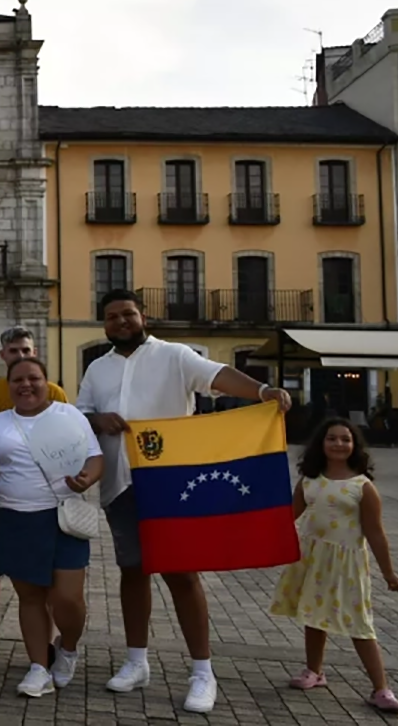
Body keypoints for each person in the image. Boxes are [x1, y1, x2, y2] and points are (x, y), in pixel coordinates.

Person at [77, 289, 292, 712]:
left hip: (170, 484)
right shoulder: (96, 370)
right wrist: (97, 419)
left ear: (143, 317)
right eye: (112, 316)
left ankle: (202, 671)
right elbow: (81, 417)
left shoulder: (174, 356)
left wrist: (262, 391)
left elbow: (220, 375)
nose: (120, 321)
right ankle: (136, 661)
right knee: (132, 572)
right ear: (103, 324)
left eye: (128, 314)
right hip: (119, 484)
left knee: (182, 575)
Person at [0, 356, 103, 698]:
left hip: (62, 516)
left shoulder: (67, 414)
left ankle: (68, 648)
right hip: (15, 517)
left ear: (47, 382)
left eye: (33, 378)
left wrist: (87, 478)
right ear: (8, 384)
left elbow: (95, 456)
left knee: (68, 599)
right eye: (18, 379)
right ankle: (38, 667)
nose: (25, 385)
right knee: (30, 597)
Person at [269, 418, 398, 713]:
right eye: (332, 438)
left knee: (359, 623)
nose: (339, 444)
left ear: (355, 446)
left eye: (346, 439)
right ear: (321, 443)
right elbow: (286, 518)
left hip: (347, 563)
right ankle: (314, 671)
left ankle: (381, 688)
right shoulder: (309, 481)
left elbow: (375, 533)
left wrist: (389, 573)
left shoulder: (362, 487)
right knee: (313, 614)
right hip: (311, 558)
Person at [0, 325, 70, 666]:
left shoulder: (55, 393)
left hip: (44, 499)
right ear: (2, 356)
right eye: (14, 352)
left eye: (26, 351)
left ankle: (48, 644)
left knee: (43, 575)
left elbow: (68, 440)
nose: (20, 357)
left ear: (34, 353)